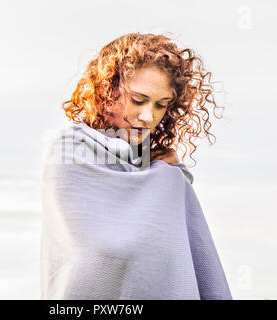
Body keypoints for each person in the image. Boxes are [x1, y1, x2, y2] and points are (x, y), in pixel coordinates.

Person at [40, 32, 232, 300]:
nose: (148, 116)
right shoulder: (71, 149)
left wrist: (171, 175)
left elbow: (173, 254)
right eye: (138, 100)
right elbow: (103, 249)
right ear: (108, 90)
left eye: (161, 105)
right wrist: (166, 178)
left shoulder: (156, 165)